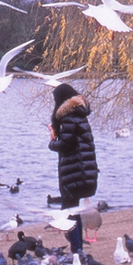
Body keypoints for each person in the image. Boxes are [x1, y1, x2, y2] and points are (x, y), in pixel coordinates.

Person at [47, 83, 98, 254]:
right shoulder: (80, 116)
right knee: (73, 211)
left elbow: (65, 144)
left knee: (68, 213)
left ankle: (77, 252)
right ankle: (78, 249)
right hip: (82, 171)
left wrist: (52, 140)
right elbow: (75, 143)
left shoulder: (68, 118)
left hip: (74, 172)